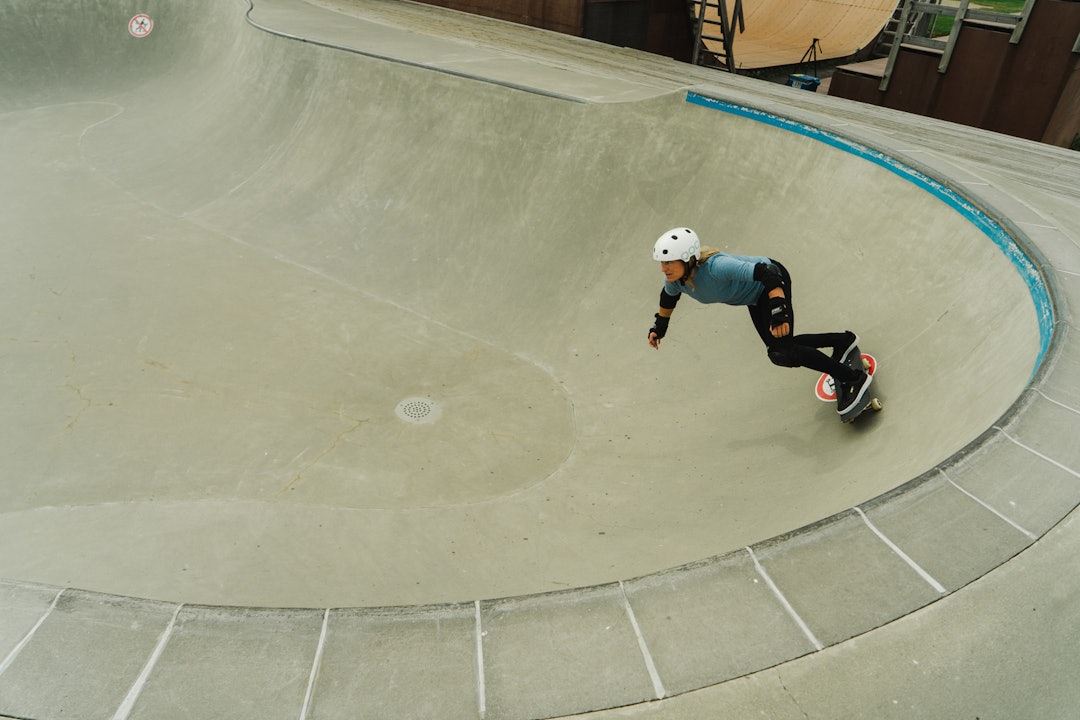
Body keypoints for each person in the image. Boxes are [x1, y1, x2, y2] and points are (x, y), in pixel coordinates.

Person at [647, 227, 872, 415]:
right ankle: (843, 341)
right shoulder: (676, 281)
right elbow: (668, 299)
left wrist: (779, 310)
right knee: (781, 348)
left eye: (668, 262)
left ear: (687, 259)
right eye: (662, 262)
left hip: (770, 285)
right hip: (755, 298)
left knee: (782, 351)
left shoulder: (716, 267)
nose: (663, 268)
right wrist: (660, 327)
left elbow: (770, 273)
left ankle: (852, 379)